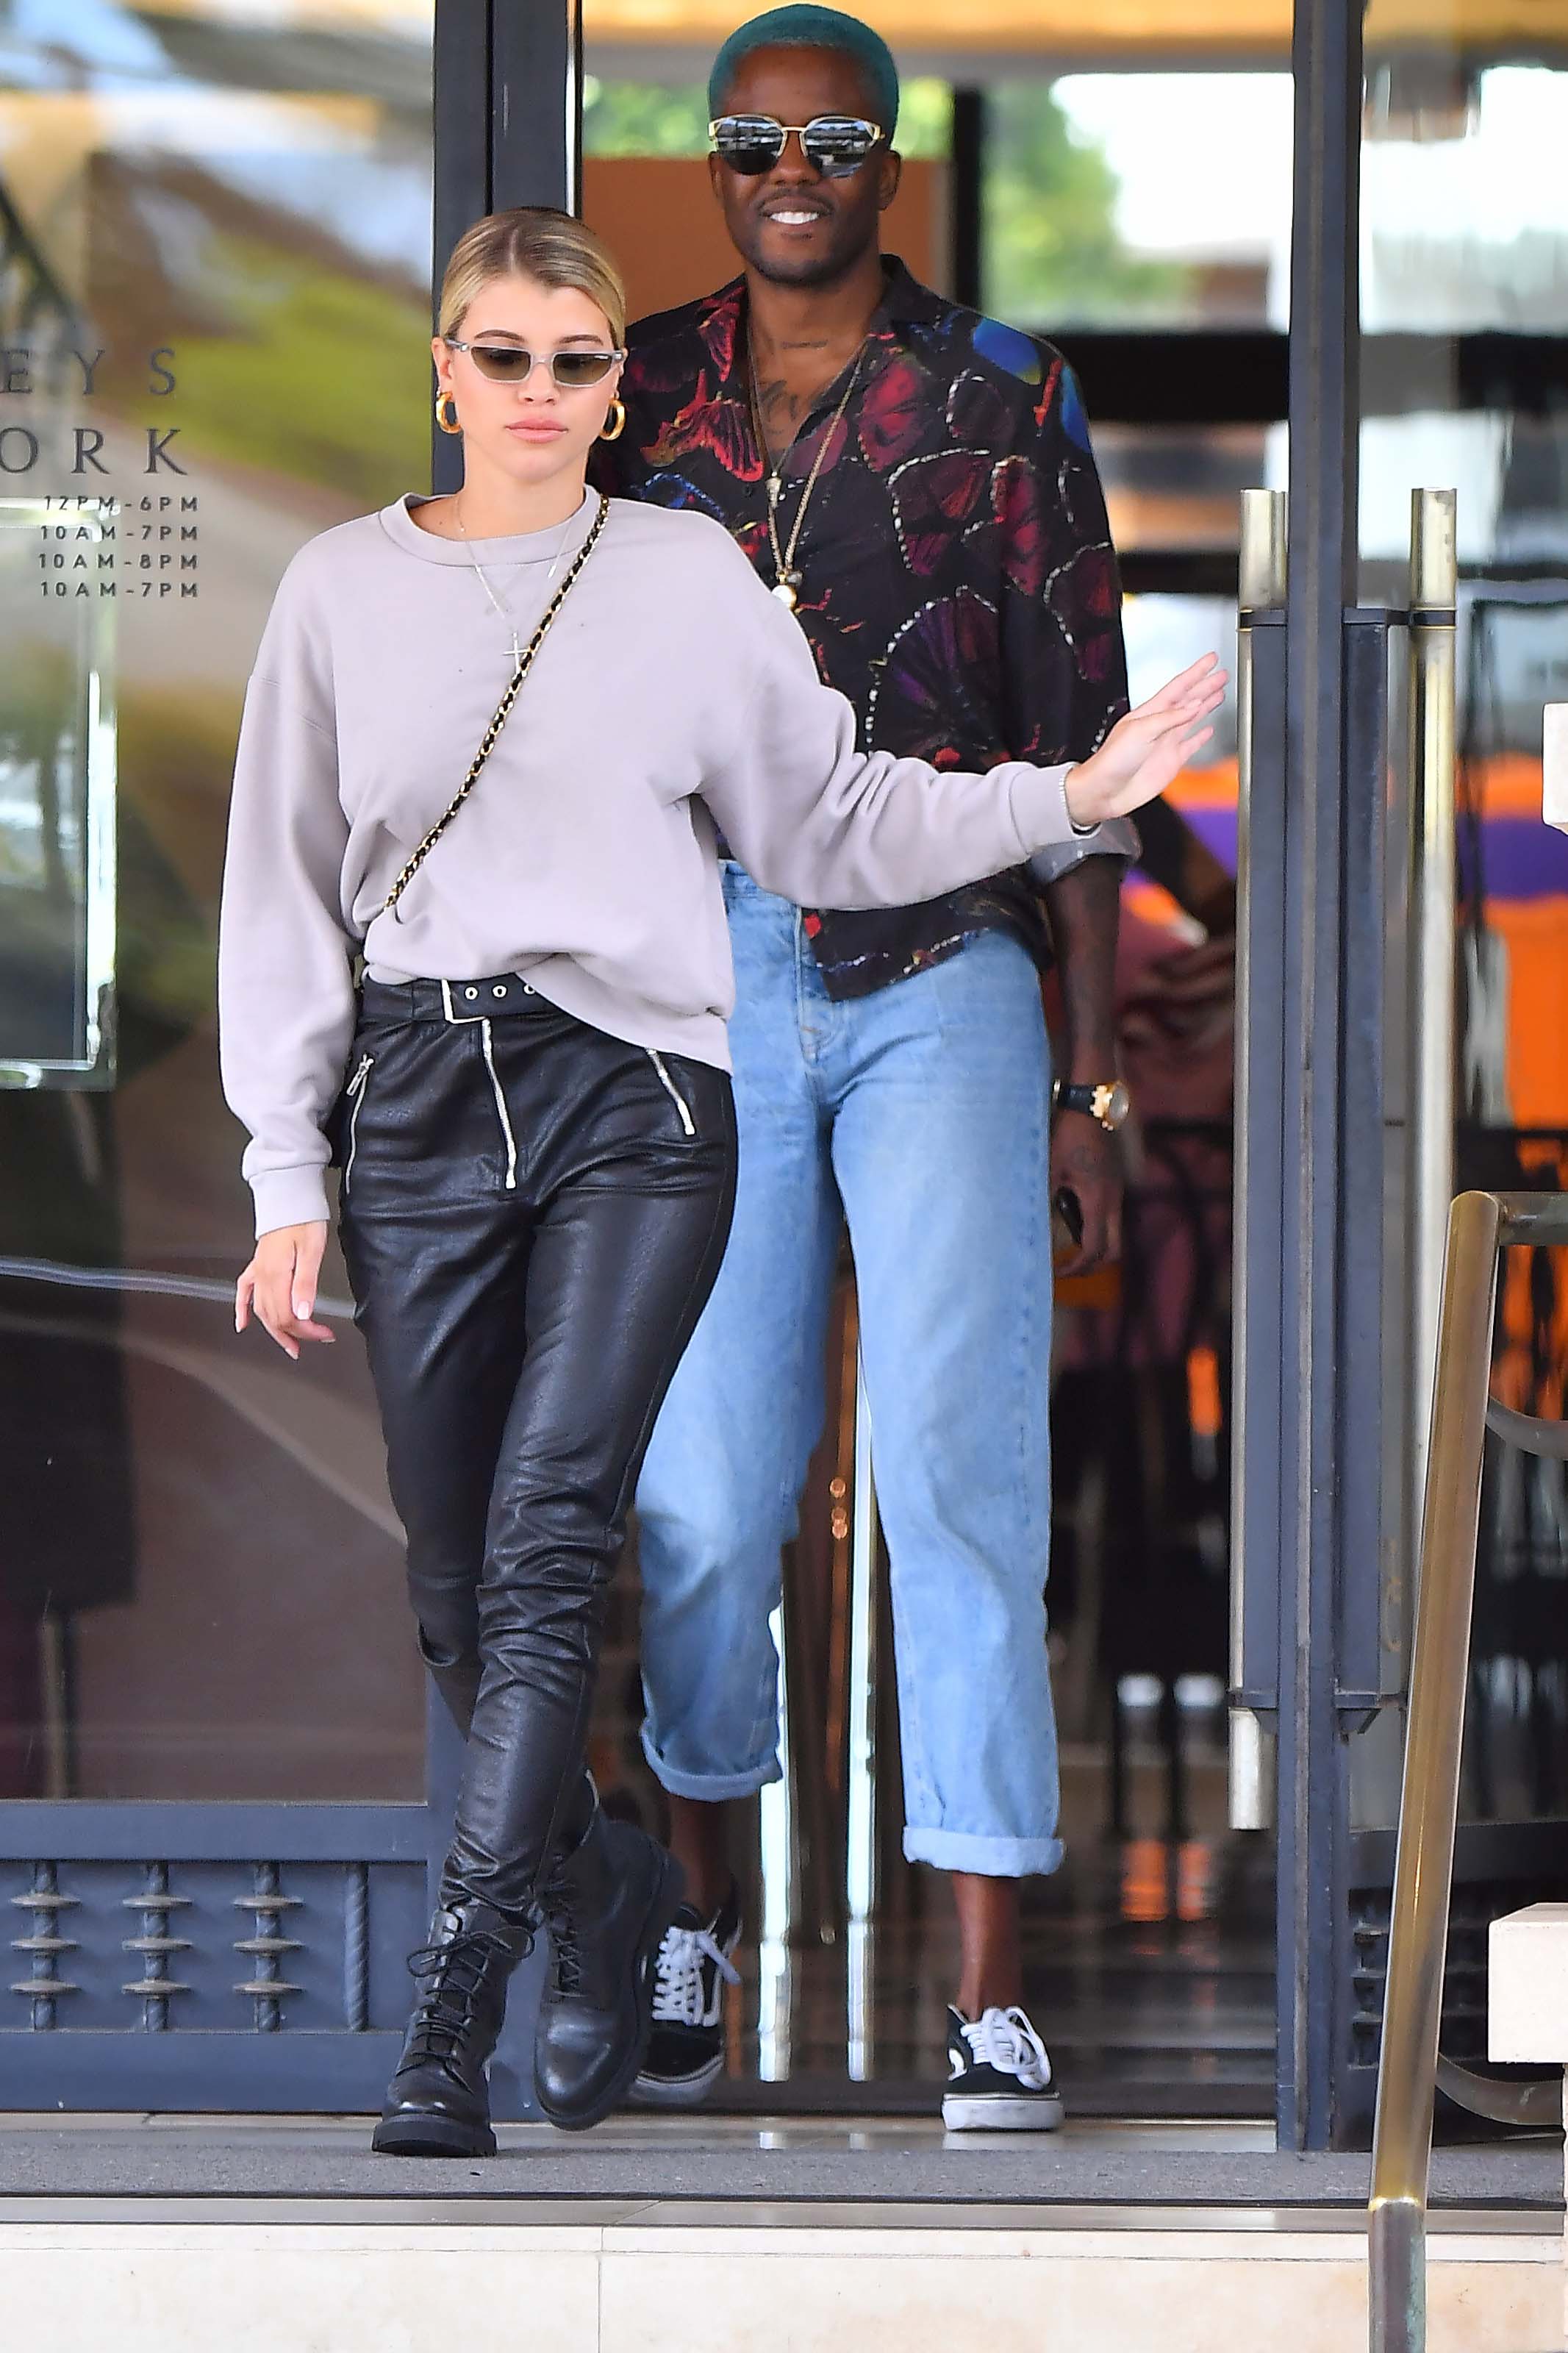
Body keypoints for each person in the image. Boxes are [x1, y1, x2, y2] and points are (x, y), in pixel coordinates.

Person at [218, 204, 1222, 2160]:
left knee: (580, 1540)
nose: (536, 391)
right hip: (432, 1089)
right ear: (444, 372)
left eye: (574, 362)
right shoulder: (338, 591)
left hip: (655, 1087)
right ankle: (615, 1886)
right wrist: (285, 1167)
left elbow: (833, 818)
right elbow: (280, 897)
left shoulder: (689, 571)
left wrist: (1067, 802)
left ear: (617, 389)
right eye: (501, 356)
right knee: (485, 1574)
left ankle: (467, 2013)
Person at [595, 3, 1164, 2128]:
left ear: (888, 167)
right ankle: (691, 1921)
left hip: (948, 966)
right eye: (754, 141)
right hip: (705, 980)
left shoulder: (1007, 396)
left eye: (831, 141)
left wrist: (1087, 1088)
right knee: (707, 1490)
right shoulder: (635, 394)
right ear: (716, 165)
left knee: (953, 1477)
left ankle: (990, 1983)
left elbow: (1085, 759)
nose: (791, 173)